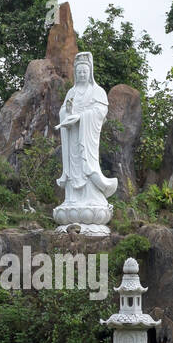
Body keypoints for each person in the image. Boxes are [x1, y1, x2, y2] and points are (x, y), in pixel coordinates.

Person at [55, 52, 117, 221]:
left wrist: (81, 117)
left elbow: (100, 111)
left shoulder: (97, 91)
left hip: (86, 138)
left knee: (86, 164)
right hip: (73, 135)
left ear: (90, 73)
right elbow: (63, 111)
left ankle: (92, 199)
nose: (82, 74)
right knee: (73, 165)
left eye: (85, 71)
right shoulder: (71, 92)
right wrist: (67, 113)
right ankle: (72, 199)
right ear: (75, 73)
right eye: (79, 71)